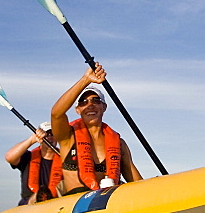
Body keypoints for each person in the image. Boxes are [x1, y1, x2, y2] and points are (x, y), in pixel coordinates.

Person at [51, 63, 143, 195]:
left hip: (108, 203)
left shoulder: (119, 143)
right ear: (77, 110)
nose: (90, 105)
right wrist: (86, 79)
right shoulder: (68, 136)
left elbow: (136, 182)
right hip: (76, 202)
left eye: (95, 100)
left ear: (104, 107)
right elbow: (56, 113)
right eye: (83, 102)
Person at [4, 122, 62, 205]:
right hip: (30, 204)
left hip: (57, 203)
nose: (49, 137)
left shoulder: (65, 158)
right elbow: (9, 157)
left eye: (52, 134)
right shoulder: (28, 157)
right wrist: (32, 139)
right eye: (46, 135)